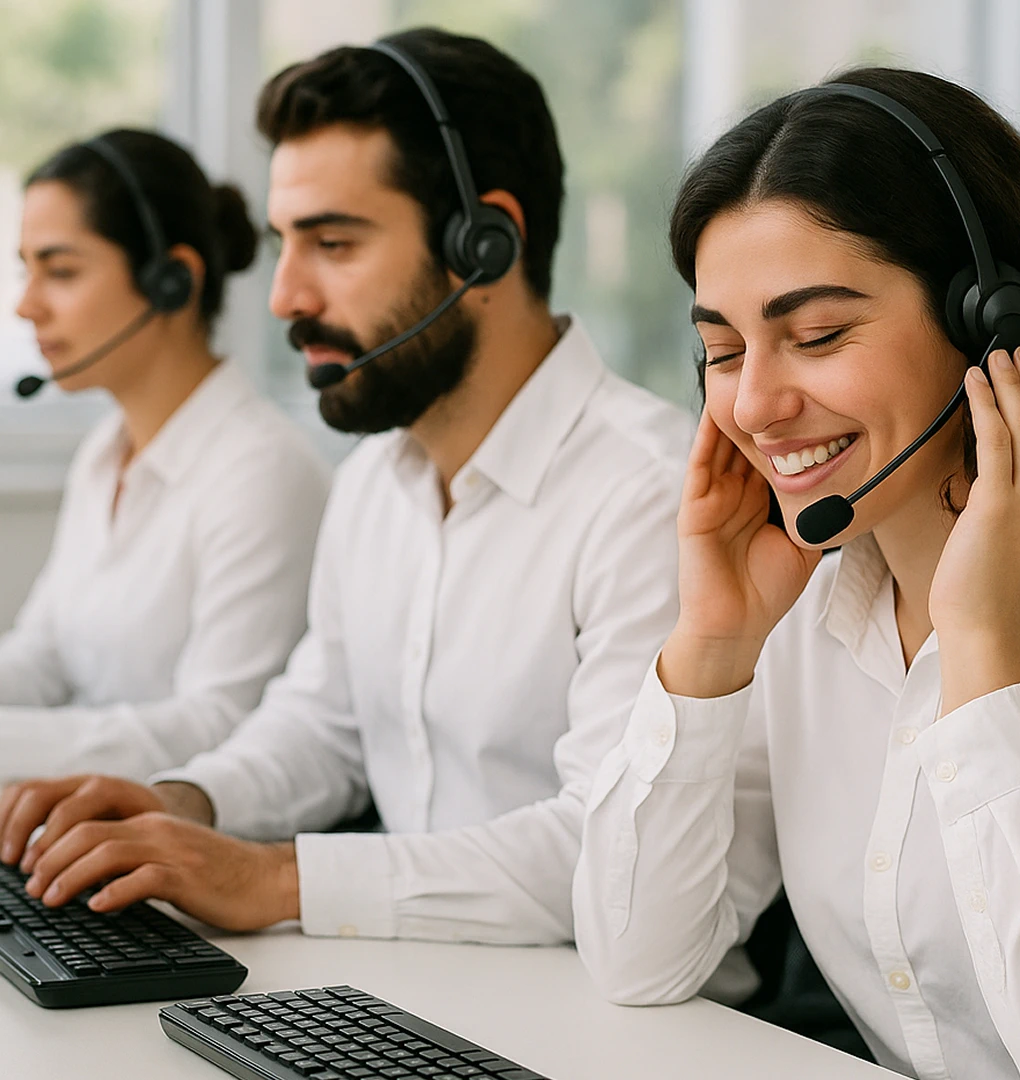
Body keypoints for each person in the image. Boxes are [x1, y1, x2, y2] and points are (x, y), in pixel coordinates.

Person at [0, 29, 695, 953]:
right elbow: (320, 727)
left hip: (601, 1016)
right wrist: (181, 802)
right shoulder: (374, 481)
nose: (285, 294)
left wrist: (270, 875)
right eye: (285, 244)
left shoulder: (645, 493)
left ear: (484, 244)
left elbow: (600, 847)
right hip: (406, 980)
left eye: (332, 242)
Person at [571, 68, 1020, 1080]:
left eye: (816, 336)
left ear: (990, 320)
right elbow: (641, 960)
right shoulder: (810, 613)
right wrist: (711, 646)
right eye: (722, 350)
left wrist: (980, 650)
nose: (755, 405)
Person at [0, 130, 329, 788]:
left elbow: (218, 724)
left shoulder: (262, 471)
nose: (26, 305)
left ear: (171, 280)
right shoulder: (104, 453)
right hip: (81, 832)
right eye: (25, 269)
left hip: (193, 853)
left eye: (60, 271)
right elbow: (44, 657)